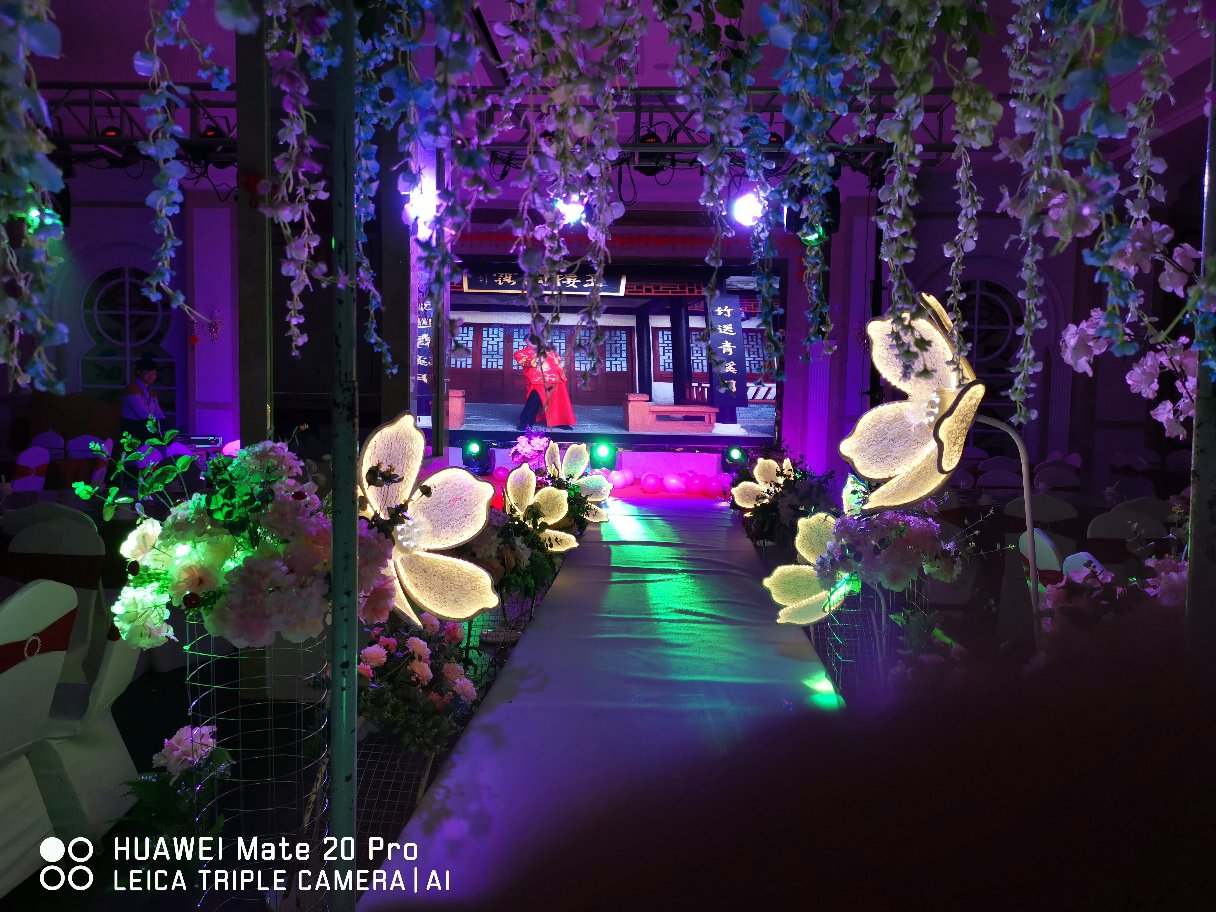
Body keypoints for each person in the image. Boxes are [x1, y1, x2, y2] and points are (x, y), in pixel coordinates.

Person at [513, 343, 576, 430]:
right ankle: (526, 423)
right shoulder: (522, 352)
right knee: (534, 401)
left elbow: (558, 363)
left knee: (557, 401)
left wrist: (561, 376)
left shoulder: (550, 351)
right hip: (537, 380)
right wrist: (535, 359)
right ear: (526, 341)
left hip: (555, 379)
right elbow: (523, 362)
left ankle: (560, 422)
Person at [120, 355, 166, 443]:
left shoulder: (151, 392)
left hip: (144, 428)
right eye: (147, 373)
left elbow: (158, 413)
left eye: (154, 373)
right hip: (132, 430)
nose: (151, 376)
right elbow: (143, 414)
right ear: (138, 372)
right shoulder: (132, 389)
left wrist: (164, 426)